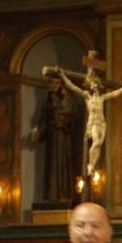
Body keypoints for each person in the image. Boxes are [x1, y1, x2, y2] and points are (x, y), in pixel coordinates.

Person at [54, 69, 122, 176]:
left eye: (95, 84)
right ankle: (90, 164)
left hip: (102, 124)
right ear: (90, 87)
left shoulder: (102, 98)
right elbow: (73, 87)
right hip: (93, 123)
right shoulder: (87, 96)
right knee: (96, 143)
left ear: (98, 86)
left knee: (99, 145)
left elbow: (113, 94)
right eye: (92, 85)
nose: (93, 86)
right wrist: (63, 76)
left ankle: (92, 165)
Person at [31, 73, 81, 203]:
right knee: (52, 166)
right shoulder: (47, 101)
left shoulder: (67, 98)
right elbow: (43, 119)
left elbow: (72, 116)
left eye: (56, 83)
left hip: (64, 137)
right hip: (52, 138)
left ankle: (65, 194)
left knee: (63, 165)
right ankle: (52, 195)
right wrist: (39, 131)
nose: (53, 85)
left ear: (61, 85)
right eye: (51, 83)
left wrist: (63, 119)